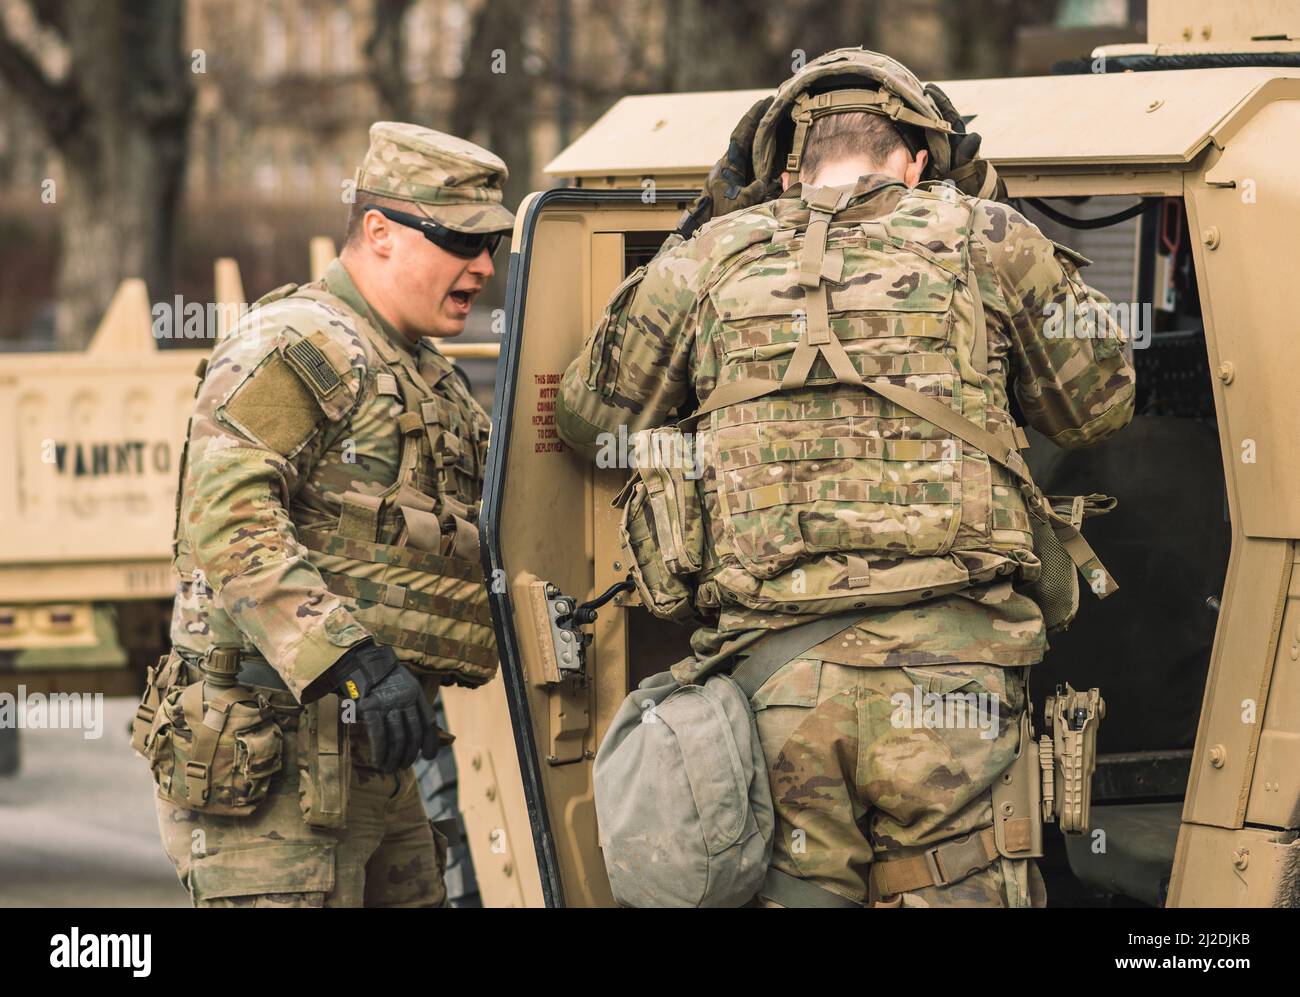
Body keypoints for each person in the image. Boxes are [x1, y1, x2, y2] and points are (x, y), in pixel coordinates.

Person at [557, 49, 1135, 908]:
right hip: (951, 681)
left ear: (790, 168)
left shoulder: (712, 256)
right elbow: (1098, 404)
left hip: (775, 682)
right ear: (915, 159)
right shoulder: (984, 236)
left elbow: (592, 418)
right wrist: (990, 209)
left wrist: (709, 218)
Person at [135, 122, 512, 907]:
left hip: (374, 757)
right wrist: (354, 661)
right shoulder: (302, 341)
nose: (482, 266)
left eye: (493, 245)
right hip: (270, 768)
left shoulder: (423, 371)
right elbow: (227, 514)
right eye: (459, 239)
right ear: (378, 230)